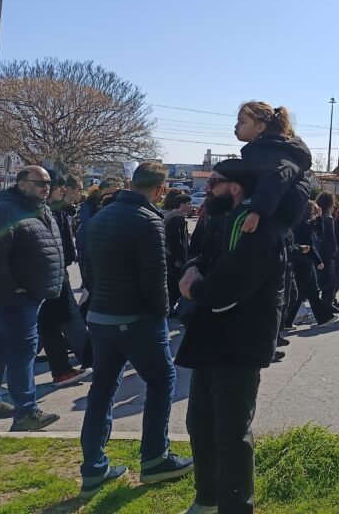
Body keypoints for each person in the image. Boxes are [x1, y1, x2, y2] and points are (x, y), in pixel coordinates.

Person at [176, 158, 285, 514]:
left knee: (231, 432)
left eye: (213, 183)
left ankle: (236, 506)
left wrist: (195, 289)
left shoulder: (260, 228)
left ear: (235, 187)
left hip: (241, 343)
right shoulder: (218, 218)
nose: (206, 190)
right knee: (200, 424)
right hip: (208, 338)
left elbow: (231, 286)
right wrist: (192, 269)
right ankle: (206, 499)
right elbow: (198, 255)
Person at [79, 162, 193, 498]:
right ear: (160, 189)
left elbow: (87, 269)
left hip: (100, 315)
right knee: (161, 380)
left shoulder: (100, 216)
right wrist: (162, 313)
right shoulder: (148, 220)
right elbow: (155, 278)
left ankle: (93, 467)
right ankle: (156, 458)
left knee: (102, 389)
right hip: (137, 318)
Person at [0, 166, 64, 431]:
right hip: (14, 297)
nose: (46, 187)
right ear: (21, 183)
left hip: (30, 294)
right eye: (40, 182)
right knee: (23, 351)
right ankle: (26, 412)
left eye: (48, 183)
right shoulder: (4, 210)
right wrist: (12, 287)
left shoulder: (37, 207)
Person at [38, 174, 92, 387]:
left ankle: (63, 370)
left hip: (55, 273)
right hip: (53, 275)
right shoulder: (48, 212)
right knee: (66, 319)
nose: (80, 193)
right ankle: (87, 361)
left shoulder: (56, 211)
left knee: (49, 324)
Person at [233, 102, 313, 238]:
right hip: (274, 222)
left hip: (269, 225)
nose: (236, 126)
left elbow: (277, 175)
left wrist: (257, 212)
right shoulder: (270, 149)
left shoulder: (270, 151)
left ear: (260, 127)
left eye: (242, 122)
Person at [284, 200, 336, 328]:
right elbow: (310, 245)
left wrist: (319, 218)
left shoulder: (301, 223)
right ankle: (323, 317)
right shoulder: (306, 225)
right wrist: (318, 261)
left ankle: (288, 321)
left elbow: (319, 232)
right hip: (305, 261)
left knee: (307, 292)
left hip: (301, 260)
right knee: (307, 292)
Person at [162, 190, 192, 318]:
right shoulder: (176, 218)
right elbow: (175, 241)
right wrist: (179, 258)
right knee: (173, 285)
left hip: (171, 257)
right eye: (188, 204)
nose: (190, 207)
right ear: (182, 204)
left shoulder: (172, 215)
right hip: (174, 259)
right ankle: (169, 310)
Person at [314, 192, 339, 312]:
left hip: (318, 252)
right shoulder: (328, 218)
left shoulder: (316, 216)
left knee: (320, 281)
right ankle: (326, 305)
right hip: (327, 254)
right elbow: (331, 238)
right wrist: (334, 252)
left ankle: (323, 304)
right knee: (330, 282)